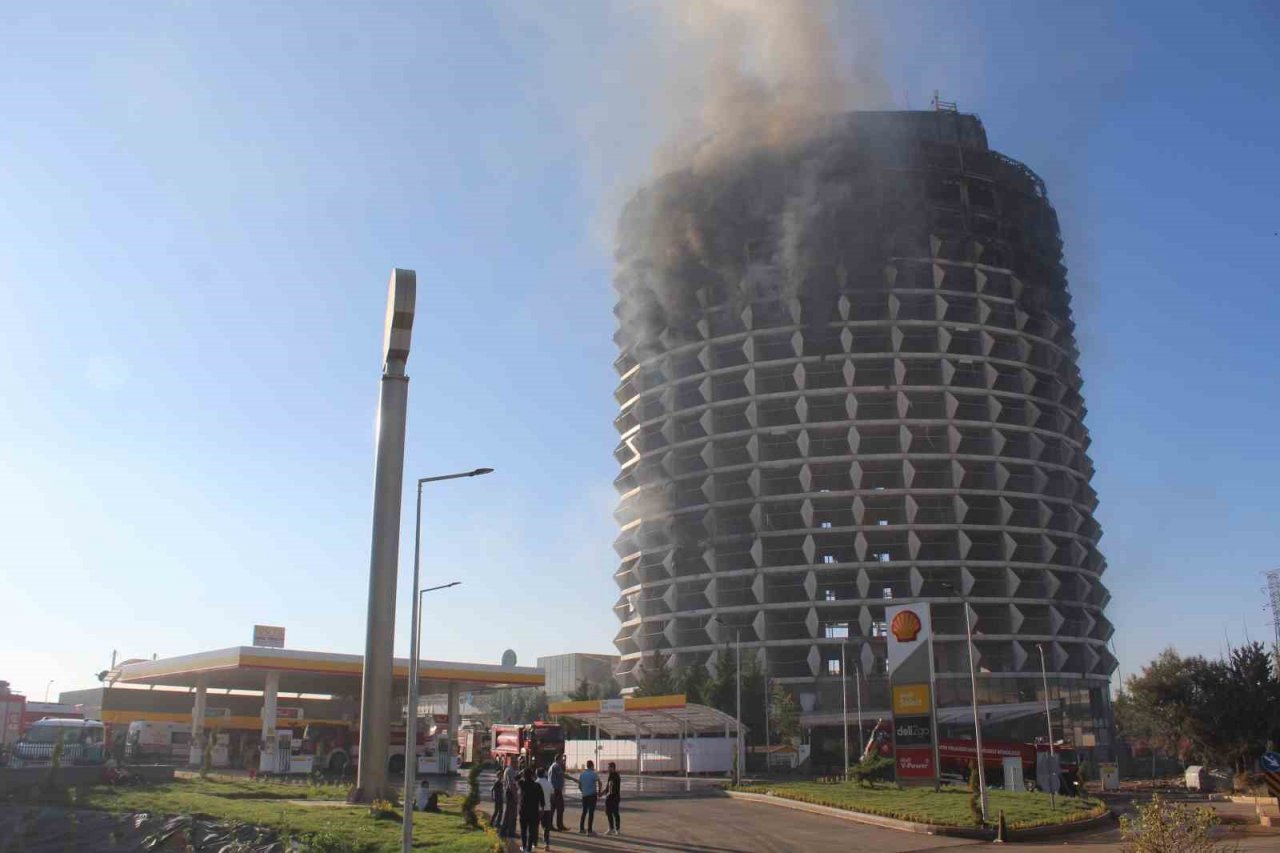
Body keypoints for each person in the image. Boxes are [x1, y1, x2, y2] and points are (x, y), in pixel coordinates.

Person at [518, 767, 545, 853]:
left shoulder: (522, 783)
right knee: (532, 831)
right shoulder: (537, 785)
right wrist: (542, 810)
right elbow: (542, 800)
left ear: (524, 775)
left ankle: (524, 847)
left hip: (523, 811)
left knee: (523, 830)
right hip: (534, 811)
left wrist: (521, 772)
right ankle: (529, 849)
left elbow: (515, 778)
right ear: (532, 775)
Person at [577, 759, 600, 835]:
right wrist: (599, 792)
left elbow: (579, 785)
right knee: (591, 813)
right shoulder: (593, 773)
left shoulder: (582, 774)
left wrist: (583, 791)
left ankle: (581, 828)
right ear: (592, 766)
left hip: (584, 796)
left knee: (584, 812)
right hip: (592, 795)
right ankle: (589, 830)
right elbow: (600, 782)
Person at [536, 766, 555, 849]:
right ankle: (546, 844)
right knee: (546, 827)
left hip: (537, 809)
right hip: (547, 808)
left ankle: (534, 842)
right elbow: (552, 795)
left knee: (535, 825)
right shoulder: (548, 783)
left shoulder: (535, 783)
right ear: (544, 774)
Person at [549, 754, 568, 831]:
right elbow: (563, 774)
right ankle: (559, 825)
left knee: (552, 808)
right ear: (558, 759)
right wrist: (574, 779)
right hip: (556, 790)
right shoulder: (556, 766)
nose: (562, 761)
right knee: (560, 808)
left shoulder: (553, 766)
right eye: (561, 759)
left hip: (553, 790)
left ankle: (551, 825)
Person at [503, 756, 520, 839]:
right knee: (512, 814)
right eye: (517, 763)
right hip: (511, 794)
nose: (518, 764)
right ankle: (511, 832)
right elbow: (512, 785)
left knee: (508, 813)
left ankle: (504, 831)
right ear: (513, 763)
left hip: (508, 793)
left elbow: (513, 781)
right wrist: (515, 796)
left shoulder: (508, 770)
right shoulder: (511, 771)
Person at [604, 761, 622, 836]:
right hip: (610, 797)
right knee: (608, 813)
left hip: (614, 797)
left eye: (609, 767)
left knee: (615, 813)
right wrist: (602, 793)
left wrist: (608, 793)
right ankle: (611, 828)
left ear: (612, 767)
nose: (608, 769)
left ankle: (617, 829)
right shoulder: (610, 775)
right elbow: (608, 787)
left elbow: (612, 788)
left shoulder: (616, 776)